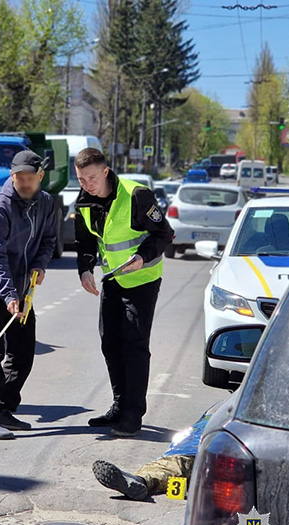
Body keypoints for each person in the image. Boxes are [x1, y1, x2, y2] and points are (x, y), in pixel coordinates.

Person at [74, 148, 173, 437]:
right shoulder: (84, 200)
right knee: (110, 343)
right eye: (81, 179)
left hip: (142, 280)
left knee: (134, 345)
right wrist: (85, 269)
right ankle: (119, 406)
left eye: (92, 178)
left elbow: (164, 233)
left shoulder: (136, 195)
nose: (87, 185)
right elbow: (84, 240)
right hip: (113, 280)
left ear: (105, 172)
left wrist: (142, 257)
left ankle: (133, 414)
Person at [0, 150, 58, 440]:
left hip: (22, 291)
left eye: (30, 178)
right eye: (19, 178)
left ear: (40, 176)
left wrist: (39, 265)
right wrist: (8, 294)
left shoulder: (46, 203)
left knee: (22, 354)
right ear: (12, 176)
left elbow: (49, 240)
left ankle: (3, 409)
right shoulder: (0, 208)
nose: (24, 183)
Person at [91, 399, 221, 500]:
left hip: (206, 451)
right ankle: (139, 480)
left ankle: (141, 480)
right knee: (173, 465)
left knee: (175, 465)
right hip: (194, 447)